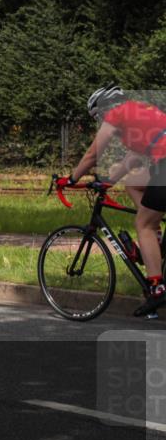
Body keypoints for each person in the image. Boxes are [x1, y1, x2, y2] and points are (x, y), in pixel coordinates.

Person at [60, 85, 166, 317]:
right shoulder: (140, 112)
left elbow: (92, 155)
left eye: (97, 118)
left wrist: (71, 179)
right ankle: (156, 241)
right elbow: (134, 158)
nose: (99, 123)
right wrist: (109, 181)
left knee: (143, 224)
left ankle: (157, 288)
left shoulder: (116, 115)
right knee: (133, 184)